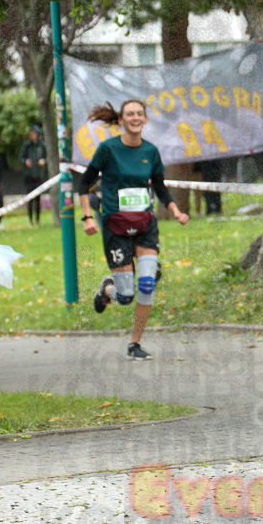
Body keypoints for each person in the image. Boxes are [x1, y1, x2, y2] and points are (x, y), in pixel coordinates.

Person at [76, 100, 189, 360]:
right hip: (115, 227)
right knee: (125, 295)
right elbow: (84, 185)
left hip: (144, 226)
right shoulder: (108, 149)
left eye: (139, 113)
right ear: (121, 120)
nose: (135, 117)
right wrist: (86, 217)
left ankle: (134, 344)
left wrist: (176, 212)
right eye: (130, 114)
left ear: (145, 119)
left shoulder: (151, 150)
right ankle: (106, 290)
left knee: (147, 283)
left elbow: (160, 188)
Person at [20, 125, 47, 225]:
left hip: (38, 175)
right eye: (31, 133)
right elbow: (21, 157)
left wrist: (44, 161)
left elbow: (47, 158)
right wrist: (25, 161)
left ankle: (37, 220)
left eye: (34, 133)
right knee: (30, 198)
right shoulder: (27, 145)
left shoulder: (42, 145)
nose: (32, 135)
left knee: (38, 199)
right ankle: (30, 220)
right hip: (29, 176)